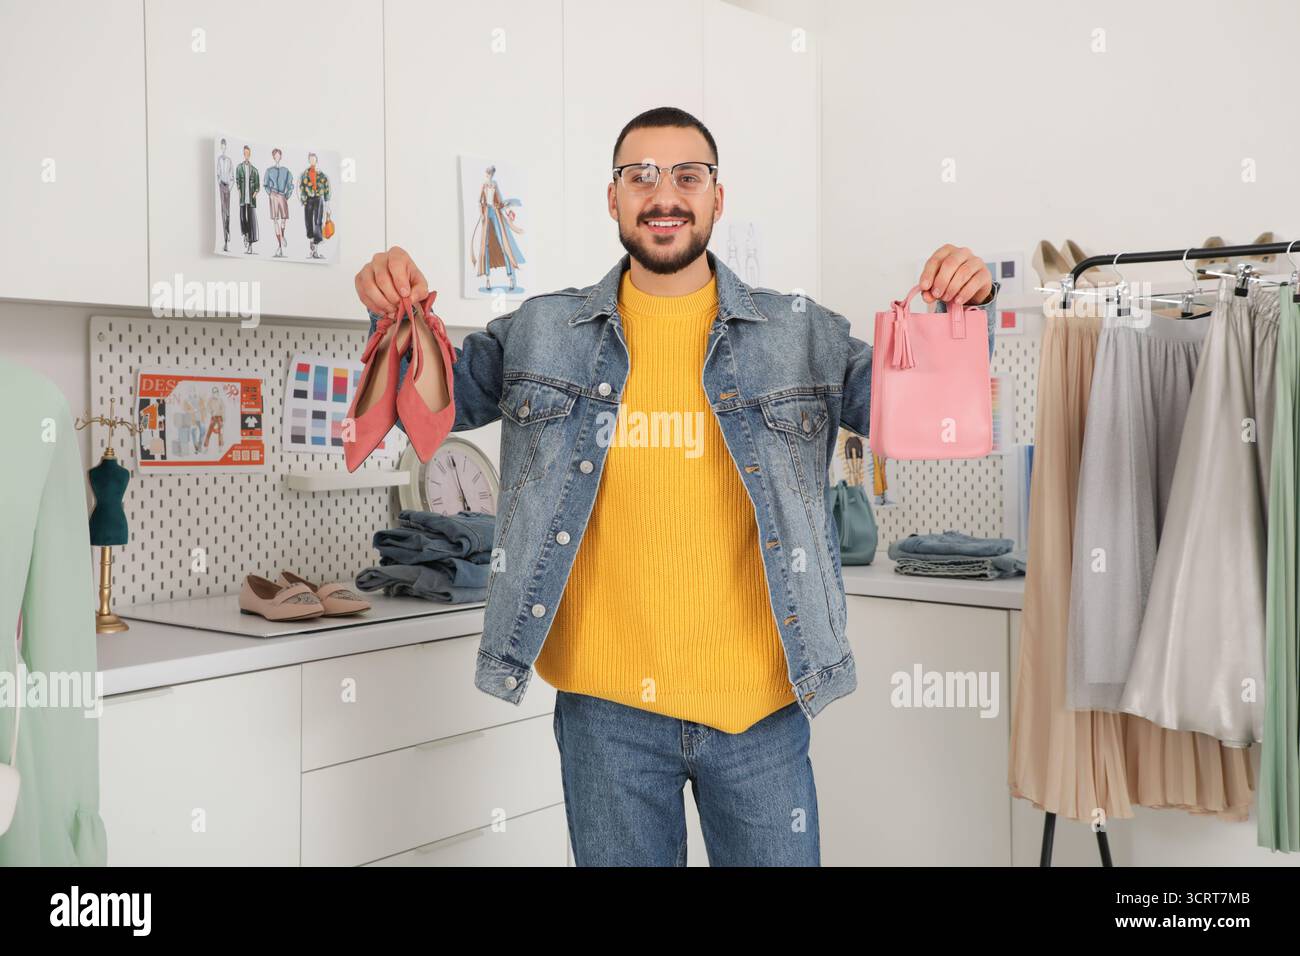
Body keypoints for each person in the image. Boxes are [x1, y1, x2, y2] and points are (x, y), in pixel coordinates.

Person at [353, 106, 997, 866]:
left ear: (718, 198)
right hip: (607, 716)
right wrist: (387, 314)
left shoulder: (803, 335)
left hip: (760, 709)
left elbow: (933, 418)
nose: (665, 194)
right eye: (641, 176)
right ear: (613, 198)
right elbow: (422, 409)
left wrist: (968, 311)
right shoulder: (540, 330)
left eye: (688, 176)